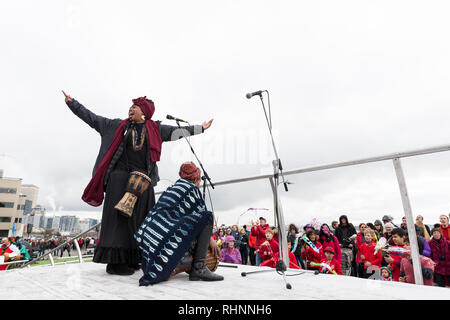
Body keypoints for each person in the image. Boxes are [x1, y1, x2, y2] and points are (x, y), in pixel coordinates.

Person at [63, 91, 213, 276]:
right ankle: (115, 263)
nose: (131, 109)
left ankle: (134, 259)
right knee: (119, 222)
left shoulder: (156, 130)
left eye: (135, 107)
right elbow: (92, 119)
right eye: (130, 107)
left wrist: (200, 128)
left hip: (143, 181)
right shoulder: (116, 126)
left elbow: (178, 132)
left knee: (141, 221)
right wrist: (72, 103)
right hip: (119, 180)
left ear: (145, 112)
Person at [135, 162, 224, 285]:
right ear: (197, 179)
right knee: (207, 216)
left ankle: (170, 265)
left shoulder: (171, 189)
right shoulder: (192, 190)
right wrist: (211, 240)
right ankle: (199, 267)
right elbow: (202, 220)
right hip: (163, 235)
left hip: (146, 238)